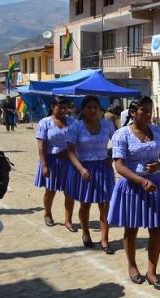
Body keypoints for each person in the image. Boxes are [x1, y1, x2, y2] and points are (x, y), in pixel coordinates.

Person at [108, 96, 160, 290]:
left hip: (156, 184)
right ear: (133, 112)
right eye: (143, 111)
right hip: (132, 186)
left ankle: (152, 271)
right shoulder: (121, 134)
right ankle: (132, 266)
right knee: (131, 229)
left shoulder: (157, 131)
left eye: (150, 111)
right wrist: (141, 180)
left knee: (156, 228)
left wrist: (159, 165)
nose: (147, 115)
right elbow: (118, 165)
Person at [66, 96, 116, 253]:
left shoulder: (108, 125)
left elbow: (119, 142)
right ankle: (86, 232)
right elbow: (70, 151)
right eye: (89, 107)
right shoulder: (76, 127)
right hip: (84, 169)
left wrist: (112, 156)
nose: (93, 110)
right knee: (85, 204)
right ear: (83, 110)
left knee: (105, 205)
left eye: (95, 107)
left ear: (100, 109)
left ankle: (104, 239)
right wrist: (81, 169)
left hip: (103, 168)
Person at [34, 96, 76, 231]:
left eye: (65, 107)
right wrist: (44, 165)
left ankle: (68, 220)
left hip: (69, 162)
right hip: (51, 161)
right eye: (60, 107)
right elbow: (41, 146)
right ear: (52, 107)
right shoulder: (45, 123)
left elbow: (77, 141)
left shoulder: (72, 122)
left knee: (70, 192)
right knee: (50, 190)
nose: (63, 110)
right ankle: (47, 213)